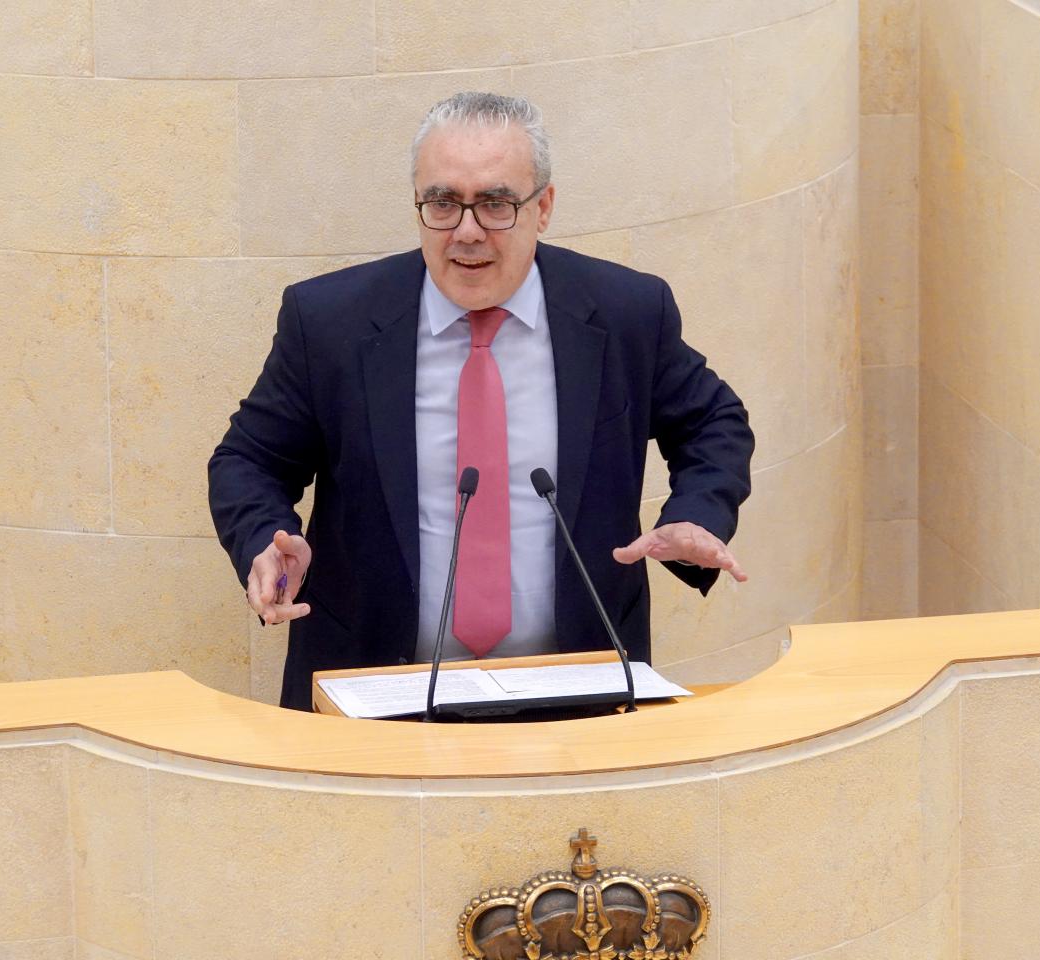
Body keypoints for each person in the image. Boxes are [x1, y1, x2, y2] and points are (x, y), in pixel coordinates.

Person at [209, 92, 754, 711]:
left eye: (495, 203)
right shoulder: (330, 322)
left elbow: (714, 421)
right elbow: (248, 460)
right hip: (374, 694)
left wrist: (698, 512)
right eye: (442, 203)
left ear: (542, 207)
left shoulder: (627, 312)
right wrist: (263, 540)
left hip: (579, 691)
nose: (466, 232)